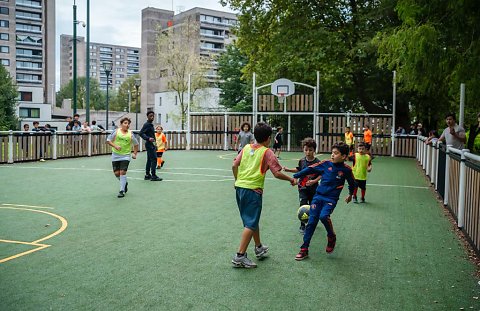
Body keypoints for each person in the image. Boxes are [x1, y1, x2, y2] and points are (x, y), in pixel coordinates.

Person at [231, 122, 296, 268]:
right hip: (253, 190)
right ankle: (239, 256)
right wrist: (291, 179)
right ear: (268, 138)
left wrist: (237, 180)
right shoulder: (267, 152)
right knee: (250, 223)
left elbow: (234, 165)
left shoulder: (246, 148)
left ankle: (259, 247)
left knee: (251, 220)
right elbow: (277, 173)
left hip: (240, 188)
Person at [293, 141, 356, 261]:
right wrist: (296, 176)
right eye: (332, 152)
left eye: (336, 153)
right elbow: (309, 169)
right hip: (318, 196)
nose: (332, 155)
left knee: (323, 216)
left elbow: (352, 183)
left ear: (343, 156)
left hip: (331, 199)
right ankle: (304, 249)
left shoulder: (346, 170)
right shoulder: (326, 163)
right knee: (311, 222)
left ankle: (331, 236)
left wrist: (350, 194)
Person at [283, 137, 321, 234]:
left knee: (313, 206)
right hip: (302, 188)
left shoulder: (317, 162)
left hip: (314, 189)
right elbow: (298, 169)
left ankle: (311, 223)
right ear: (303, 150)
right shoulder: (302, 161)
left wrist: (314, 181)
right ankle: (302, 225)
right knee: (303, 205)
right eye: (306, 150)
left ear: (314, 150)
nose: (308, 152)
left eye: (310, 150)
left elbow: (322, 174)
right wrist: (288, 170)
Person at [106, 117, 139, 198]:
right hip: (115, 155)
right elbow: (108, 140)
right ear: (121, 124)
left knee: (122, 172)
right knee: (116, 173)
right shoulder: (116, 131)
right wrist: (115, 146)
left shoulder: (130, 134)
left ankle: (122, 190)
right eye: (125, 123)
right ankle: (124, 183)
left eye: (128, 123)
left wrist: (135, 153)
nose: (127, 125)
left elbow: (136, 144)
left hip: (126, 155)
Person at [140, 111, 162, 181]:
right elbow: (141, 133)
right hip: (149, 144)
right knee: (154, 159)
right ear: (147, 116)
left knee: (149, 160)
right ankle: (153, 175)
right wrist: (148, 138)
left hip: (152, 145)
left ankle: (147, 175)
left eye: (153, 116)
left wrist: (155, 145)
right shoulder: (147, 124)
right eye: (150, 116)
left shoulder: (150, 124)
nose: (152, 117)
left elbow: (152, 136)